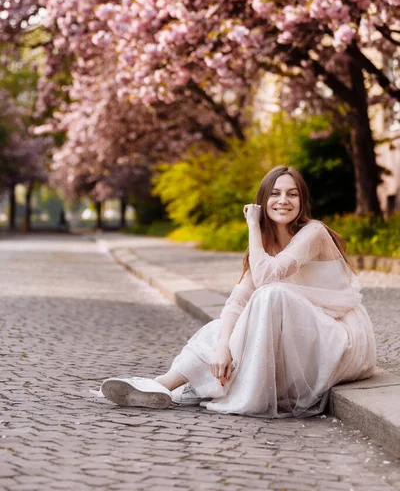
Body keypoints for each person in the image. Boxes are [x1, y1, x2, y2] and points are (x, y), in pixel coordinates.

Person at [100, 165, 376, 417]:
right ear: (263, 200)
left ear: (302, 201)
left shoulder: (313, 233)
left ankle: (209, 389)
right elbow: (237, 302)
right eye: (275, 194)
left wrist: (253, 226)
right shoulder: (264, 248)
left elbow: (268, 277)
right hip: (301, 336)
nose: (283, 201)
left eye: (292, 194)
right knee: (225, 327)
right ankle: (161, 384)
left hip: (339, 336)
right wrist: (222, 349)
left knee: (271, 295)